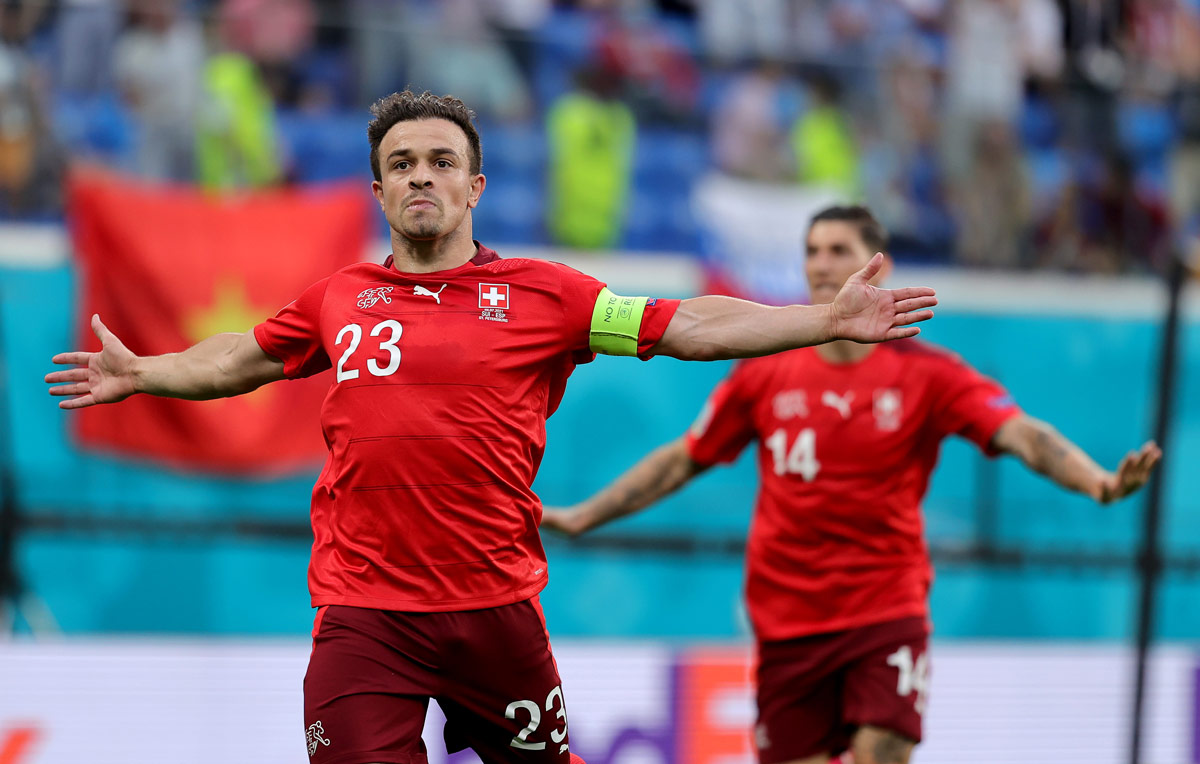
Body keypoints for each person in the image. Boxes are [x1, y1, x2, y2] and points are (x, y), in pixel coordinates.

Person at [44, 94, 938, 764]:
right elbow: (243, 358)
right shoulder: (338, 298)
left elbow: (688, 327)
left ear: (473, 184)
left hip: (495, 616)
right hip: (366, 616)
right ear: (379, 189)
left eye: (439, 161)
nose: (420, 176)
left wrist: (824, 321)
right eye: (401, 164)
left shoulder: (550, 298)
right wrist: (146, 372)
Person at [541, 204, 1163, 764]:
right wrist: (582, 516)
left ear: (876, 267)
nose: (819, 264)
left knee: (883, 750)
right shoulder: (765, 375)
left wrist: (1100, 484)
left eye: (837, 250)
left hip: (884, 608)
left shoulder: (931, 376)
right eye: (811, 251)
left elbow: (1023, 434)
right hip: (786, 619)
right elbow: (683, 458)